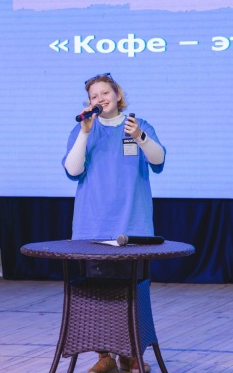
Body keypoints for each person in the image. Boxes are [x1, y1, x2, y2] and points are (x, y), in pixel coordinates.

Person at [62, 73, 165, 373]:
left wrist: (140, 138)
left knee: (131, 293)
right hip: (93, 227)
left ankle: (130, 355)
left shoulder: (138, 125)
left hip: (133, 226)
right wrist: (84, 133)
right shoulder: (83, 129)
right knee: (97, 293)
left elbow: (158, 160)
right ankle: (104, 356)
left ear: (118, 94)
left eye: (105, 93)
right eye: (94, 96)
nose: (100, 99)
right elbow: (72, 170)